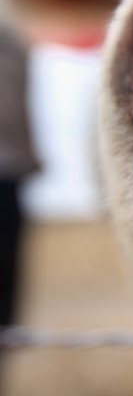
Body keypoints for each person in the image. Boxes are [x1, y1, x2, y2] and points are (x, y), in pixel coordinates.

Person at [0, 23, 37, 326]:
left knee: (5, 275)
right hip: (10, 173)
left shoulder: (13, 44)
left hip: (8, 176)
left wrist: (28, 156)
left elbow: (21, 110)